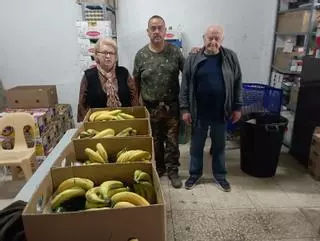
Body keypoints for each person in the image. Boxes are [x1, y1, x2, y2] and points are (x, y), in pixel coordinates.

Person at [180, 24, 242, 192]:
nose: (213, 41)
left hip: (221, 112)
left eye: (217, 38)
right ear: (203, 39)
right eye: (210, 38)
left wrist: (237, 107)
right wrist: (185, 109)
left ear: (221, 40)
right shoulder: (193, 58)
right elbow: (184, 85)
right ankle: (194, 174)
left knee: (220, 147)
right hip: (198, 112)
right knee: (196, 146)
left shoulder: (230, 57)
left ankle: (220, 175)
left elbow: (237, 84)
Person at [133, 15, 185, 188]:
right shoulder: (140, 55)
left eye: (160, 28)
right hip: (150, 108)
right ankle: (159, 168)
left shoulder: (175, 52)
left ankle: (173, 171)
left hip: (171, 106)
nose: (156, 31)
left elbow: (188, 74)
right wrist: (137, 106)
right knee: (154, 140)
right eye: (153, 28)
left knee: (172, 141)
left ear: (165, 30)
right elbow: (136, 82)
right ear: (147, 32)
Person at [77, 37, 139, 122]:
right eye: (104, 53)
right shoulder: (89, 76)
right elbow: (82, 105)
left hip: (124, 122)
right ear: (97, 54)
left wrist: (136, 120)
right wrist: (84, 125)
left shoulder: (124, 73)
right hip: (98, 126)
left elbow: (134, 98)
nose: (108, 56)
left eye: (111, 53)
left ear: (116, 57)